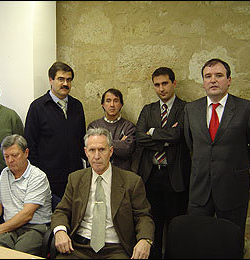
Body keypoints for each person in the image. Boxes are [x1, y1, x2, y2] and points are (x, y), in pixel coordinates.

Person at [184, 58, 250, 252]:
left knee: (231, 245)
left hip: (232, 190)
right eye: (208, 76)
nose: (213, 80)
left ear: (229, 80)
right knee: (196, 244)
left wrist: (236, 166)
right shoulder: (191, 109)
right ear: (203, 81)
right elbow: (190, 144)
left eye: (219, 75)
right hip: (200, 190)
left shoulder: (247, 109)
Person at [51, 128, 155, 259]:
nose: (96, 156)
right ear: (86, 152)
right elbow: (61, 211)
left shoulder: (131, 182)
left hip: (115, 249)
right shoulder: (75, 179)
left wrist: (145, 240)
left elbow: (143, 216)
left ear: (110, 151)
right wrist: (60, 230)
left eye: (102, 150)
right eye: (92, 150)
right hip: (78, 247)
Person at [135, 67, 191, 258]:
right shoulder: (148, 109)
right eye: (157, 85)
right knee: (153, 225)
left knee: (176, 227)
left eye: (165, 83)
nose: (161, 88)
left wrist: (153, 132)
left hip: (175, 176)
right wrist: (166, 139)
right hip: (151, 177)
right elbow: (139, 138)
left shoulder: (186, 108)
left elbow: (180, 135)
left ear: (173, 83)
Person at [0, 134, 52, 256]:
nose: (10, 160)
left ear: (26, 153)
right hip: (9, 228)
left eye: (15, 155)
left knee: (16, 255)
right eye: (6, 156)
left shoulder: (38, 177)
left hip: (33, 228)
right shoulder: (5, 173)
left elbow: (26, 215)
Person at [24, 62, 86, 199]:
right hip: (49, 179)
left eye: (68, 80)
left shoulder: (77, 106)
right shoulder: (37, 107)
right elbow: (30, 145)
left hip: (75, 176)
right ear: (50, 80)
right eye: (61, 79)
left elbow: (82, 139)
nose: (65, 84)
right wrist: (38, 175)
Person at [87, 88, 136, 171]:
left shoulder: (129, 126)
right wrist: (120, 143)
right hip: (99, 172)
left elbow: (127, 150)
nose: (112, 105)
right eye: (108, 101)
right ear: (103, 104)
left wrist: (102, 144)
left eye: (116, 101)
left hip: (122, 173)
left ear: (121, 104)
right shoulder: (94, 126)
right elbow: (92, 150)